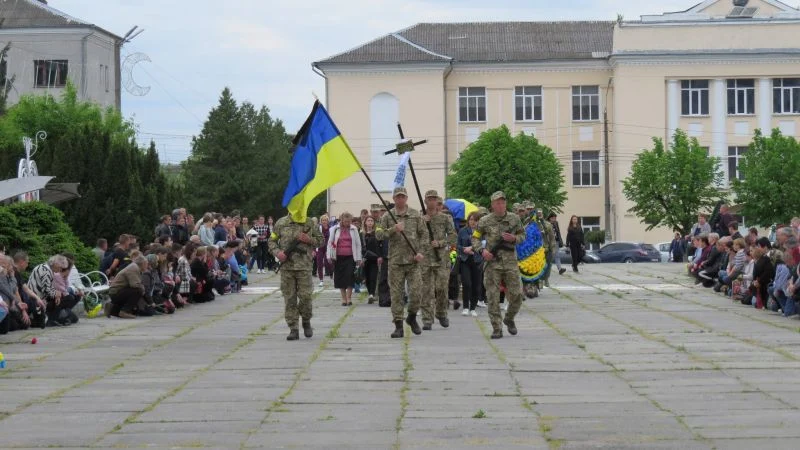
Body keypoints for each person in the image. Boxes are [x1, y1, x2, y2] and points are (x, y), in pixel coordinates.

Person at [471, 191, 525, 339]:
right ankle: (497, 327)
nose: (500, 205)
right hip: (492, 264)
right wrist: (482, 251)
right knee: (492, 296)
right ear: (492, 205)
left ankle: (509, 318)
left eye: (502, 202)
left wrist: (514, 238)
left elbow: (522, 235)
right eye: (497, 203)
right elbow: (475, 239)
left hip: (510, 263)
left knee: (517, 294)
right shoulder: (484, 221)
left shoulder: (514, 219)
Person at [377, 187, 426, 339]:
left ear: (406, 198)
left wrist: (421, 253)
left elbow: (424, 234)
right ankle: (398, 326)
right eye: (397, 197)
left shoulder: (415, 215)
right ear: (393, 199)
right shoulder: (387, 216)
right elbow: (378, 234)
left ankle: (411, 317)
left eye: (402, 196)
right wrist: (393, 229)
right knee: (396, 295)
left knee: (416, 293)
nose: (400, 199)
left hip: (413, 262)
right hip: (396, 262)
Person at [269, 212, 324, 341]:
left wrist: (309, 240)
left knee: (306, 296)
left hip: (304, 266)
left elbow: (321, 241)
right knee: (290, 298)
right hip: (286, 267)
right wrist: (277, 253)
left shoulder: (309, 222)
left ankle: (306, 320)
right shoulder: (281, 223)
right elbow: (271, 241)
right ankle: (293, 328)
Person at [419, 190, 457, 330]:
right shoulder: (419, 218)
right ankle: (427, 319)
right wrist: (422, 223)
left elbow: (453, 237)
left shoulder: (445, 218)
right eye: (429, 199)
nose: (432, 201)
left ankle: (441, 313)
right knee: (426, 290)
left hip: (441, 258)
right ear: (425, 201)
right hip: (425, 259)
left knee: (441, 288)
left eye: (434, 199)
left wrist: (440, 243)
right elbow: (412, 236)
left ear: (438, 202)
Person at [327, 212, 362, 307]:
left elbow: (358, 244)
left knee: (350, 277)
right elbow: (330, 243)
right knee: (340, 278)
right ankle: (343, 299)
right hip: (338, 257)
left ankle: (349, 298)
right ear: (341, 220)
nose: (348, 223)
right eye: (346, 221)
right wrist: (329, 256)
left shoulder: (354, 229)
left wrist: (359, 258)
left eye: (349, 221)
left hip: (351, 256)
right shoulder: (335, 229)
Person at [458, 211, 483, 317]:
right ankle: (465, 307)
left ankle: (473, 307)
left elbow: (484, 243)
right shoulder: (463, 231)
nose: (473, 222)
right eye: (471, 219)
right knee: (467, 284)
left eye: (475, 220)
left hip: (477, 260)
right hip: (465, 260)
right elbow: (457, 244)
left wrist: (472, 248)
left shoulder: (481, 232)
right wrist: (464, 249)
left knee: (476, 285)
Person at [361, 216, 382, 304]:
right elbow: (360, 246)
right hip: (365, 258)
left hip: (374, 257)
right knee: (367, 277)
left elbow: (379, 246)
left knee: (373, 276)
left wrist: (380, 256)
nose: (370, 222)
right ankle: (370, 293)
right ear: (365, 222)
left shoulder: (377, 233)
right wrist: (360, 258)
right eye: (368, 221)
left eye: (371, 221)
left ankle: (372, 295)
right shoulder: (362, 233)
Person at [316, 215, 332, 287]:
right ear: (321, 221)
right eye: (323, 220)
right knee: (319, 264)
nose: (324, 221)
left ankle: (331, 272)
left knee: (327, 262)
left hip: (328, 247)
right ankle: (321, 280)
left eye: (325, 220)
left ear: (328, 221)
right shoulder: (319, 228)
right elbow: (315, 237)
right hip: (320, 247)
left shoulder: (330, 228)